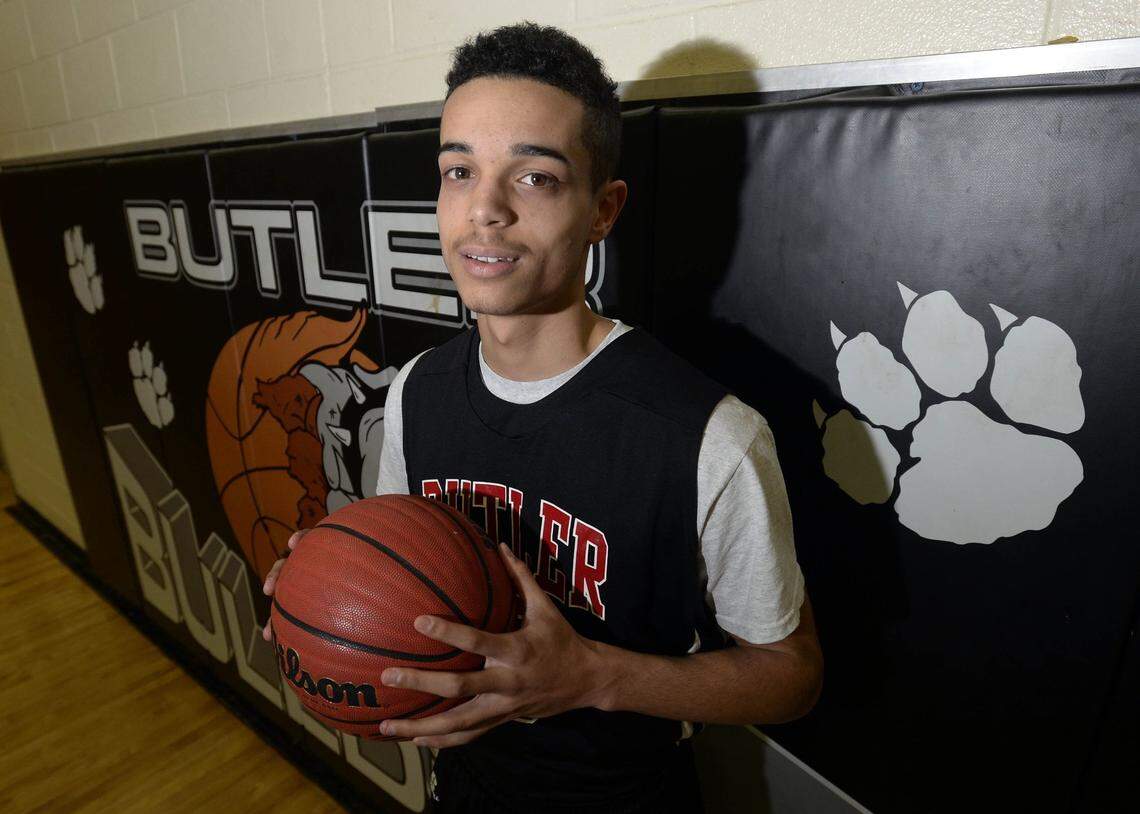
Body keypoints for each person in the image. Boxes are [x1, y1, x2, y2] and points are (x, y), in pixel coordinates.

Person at [264, 22, 822, 813]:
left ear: (602, 209)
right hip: (464, 789)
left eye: (534, 178)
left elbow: (792, 677)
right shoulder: (418, 390)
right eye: (460, 170)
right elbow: (400, 581)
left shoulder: (708, 436)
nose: (485, 209)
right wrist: (326, 599)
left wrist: (594, 676)